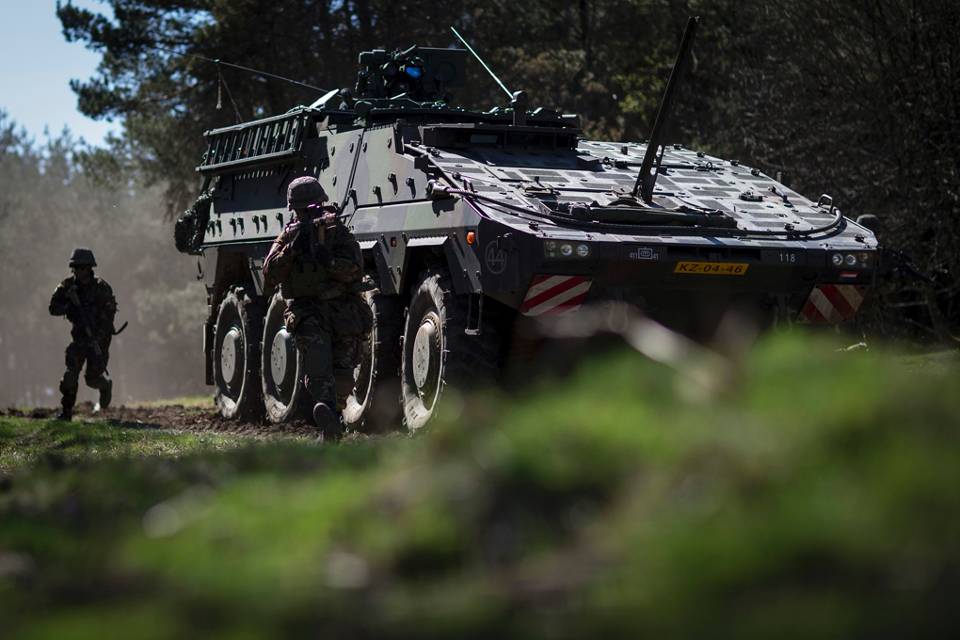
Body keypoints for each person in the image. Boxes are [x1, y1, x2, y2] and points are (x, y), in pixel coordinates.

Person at [262, 176, 369, 437]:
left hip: (343, 311)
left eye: (313, 208)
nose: (309, 214)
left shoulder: (336, 231)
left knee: (344, 372)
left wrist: (328, 260)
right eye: (303, 210)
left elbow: (356, 268)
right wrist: (291, 250)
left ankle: (334, 418)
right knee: (318, 370)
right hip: (308, 312)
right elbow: (270, 273)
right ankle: (328, 416)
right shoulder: (289, 235)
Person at [48, 247, 117, 421]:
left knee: (92, 379)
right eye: (75, 267)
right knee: (70, 374)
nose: (77, 271)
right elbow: (53, 308)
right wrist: (69, 305)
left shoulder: (102, 288)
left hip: (98, 340)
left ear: (89, 268)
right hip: (79, 339)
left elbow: (109, 317)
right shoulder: (67, 286)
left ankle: (105, 386)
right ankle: (66, 412)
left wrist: (98, 336)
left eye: (81, 267)